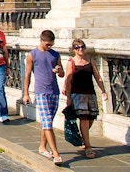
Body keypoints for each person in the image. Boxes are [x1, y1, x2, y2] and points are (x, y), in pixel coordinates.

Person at [23, 30, 65, 166]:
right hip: (41, 92)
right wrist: (26, 93)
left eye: (51, 45)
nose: (49, 47)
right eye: (47, 45)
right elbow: (27, 75)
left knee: (48, 122)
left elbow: (62, 74)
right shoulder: (32, 55)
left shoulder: (55, 55)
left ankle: (42, 147)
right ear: (41, 40)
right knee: (47, 123)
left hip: (54, 91)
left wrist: (59, 71)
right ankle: (56, 154)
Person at [63, 39, 108, 158]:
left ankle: (84, 137)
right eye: (77, 47)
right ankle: (88, 146)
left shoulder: (90, 60)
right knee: (84, 118)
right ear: (74, 50)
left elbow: (97, 76)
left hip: (90, 92)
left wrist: (103, 90)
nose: (81, 49)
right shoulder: (71, 62)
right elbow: (68, 80)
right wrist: (68, 97)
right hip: (77, 93)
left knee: (92, 117)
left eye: (82, 47)